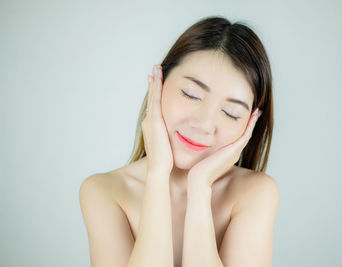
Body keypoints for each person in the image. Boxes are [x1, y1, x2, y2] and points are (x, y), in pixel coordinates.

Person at [79, 15, 280, 267]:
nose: (204, 124)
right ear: (158, 85)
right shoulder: (104, 191)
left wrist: (200, 187)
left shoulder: (255, 192)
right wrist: (157, 175)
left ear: (250, 124)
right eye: (191, 94)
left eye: (231, 113)